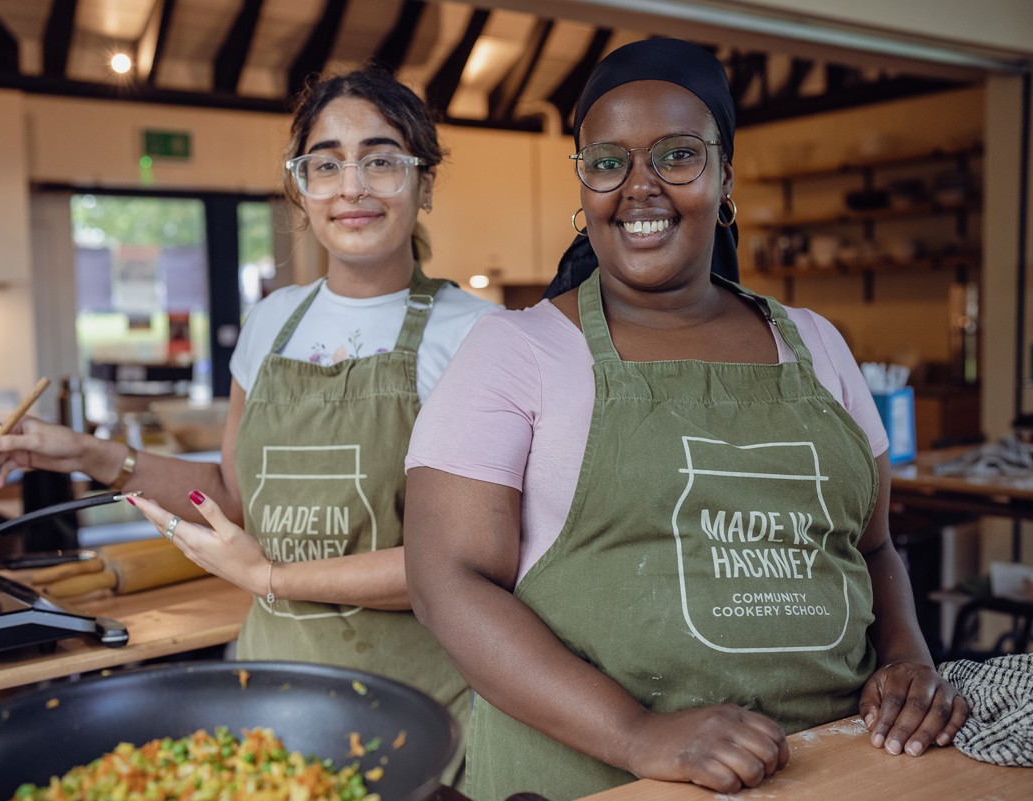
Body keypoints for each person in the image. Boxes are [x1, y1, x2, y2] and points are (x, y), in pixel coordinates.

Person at [402, 38, 969, 801]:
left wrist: (909, 658)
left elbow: (873, 547)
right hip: (602, 781)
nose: (640, 187)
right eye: (608, 161)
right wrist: (636, 730)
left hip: (842, 769)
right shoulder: (515, 351)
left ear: (725, 174)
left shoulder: (819, 344)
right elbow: (447, 584)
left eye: (677, 155)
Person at [0, 69, 497, 784]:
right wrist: (87, 451)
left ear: (423, 183)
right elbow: (231, 494)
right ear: (300, 188)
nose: (352, 186)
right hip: (268, 703)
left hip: (416, 712)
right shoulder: (274, 323)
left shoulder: (478, 337)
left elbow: (457, 562)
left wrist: (271, 574)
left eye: (381, 158)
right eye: (326, 163)